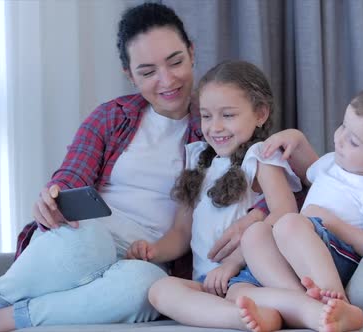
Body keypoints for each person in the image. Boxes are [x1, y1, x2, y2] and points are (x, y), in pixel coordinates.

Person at [0, 3, 272, 332]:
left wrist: (259, 212)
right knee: (87, 241)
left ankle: (3, 319)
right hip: (92, 234)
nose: (166, 80)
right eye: (147, 71)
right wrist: (53, 197)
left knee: (142, 288)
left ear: (192, 53)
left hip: (149, 257)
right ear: (130, 74)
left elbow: (268, 174)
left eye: (175, 62)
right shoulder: (112, 117)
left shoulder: (218, 125)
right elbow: (72, 176)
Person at [236, 84, 363, 331]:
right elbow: (311, 174)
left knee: (289, 223)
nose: (339, 138)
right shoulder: (333, 161)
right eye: (343, 125)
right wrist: (296, 140)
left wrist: (332, 223)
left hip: (333, 253)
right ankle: (297, 300)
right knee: (254, 234)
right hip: (298, 250)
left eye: (353, 140)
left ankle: (336, 300)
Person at [126, 60, 302, 331]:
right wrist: (154, 251)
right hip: (209, 282)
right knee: (160, 290)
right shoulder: (198, 160)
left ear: (260, 114)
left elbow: (284, 211)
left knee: (240, 291)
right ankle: (245, 316)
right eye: (207, 116)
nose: (215, 127)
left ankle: (254, 309)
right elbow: (181, 233)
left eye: (228, 115)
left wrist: (232, 263)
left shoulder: (260, 158)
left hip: (247, 275)